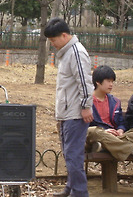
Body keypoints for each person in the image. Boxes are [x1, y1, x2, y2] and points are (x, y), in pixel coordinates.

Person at [44, 18, 94, 197]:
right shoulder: (67, 53)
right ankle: (71, 188)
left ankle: (80, 192)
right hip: (67, 113)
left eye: (53, 40)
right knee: (69, 154)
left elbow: (85, 81)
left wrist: (86, 106)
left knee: (73, 156)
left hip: (75, 113)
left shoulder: (76, 52)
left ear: (64, 35)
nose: (53, 44)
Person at [85, 65, 133, 160]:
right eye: (108, 81)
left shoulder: (115, 102)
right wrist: (105, 131)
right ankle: (131, 149)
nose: (111, 84)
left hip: (115, 138)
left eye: (112, 81)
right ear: (98, 82)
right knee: (95, 131)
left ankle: (105, 146)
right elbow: (85, 125)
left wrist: (120, 130)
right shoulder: (87, 102)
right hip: (95, 136)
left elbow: (121, 123)